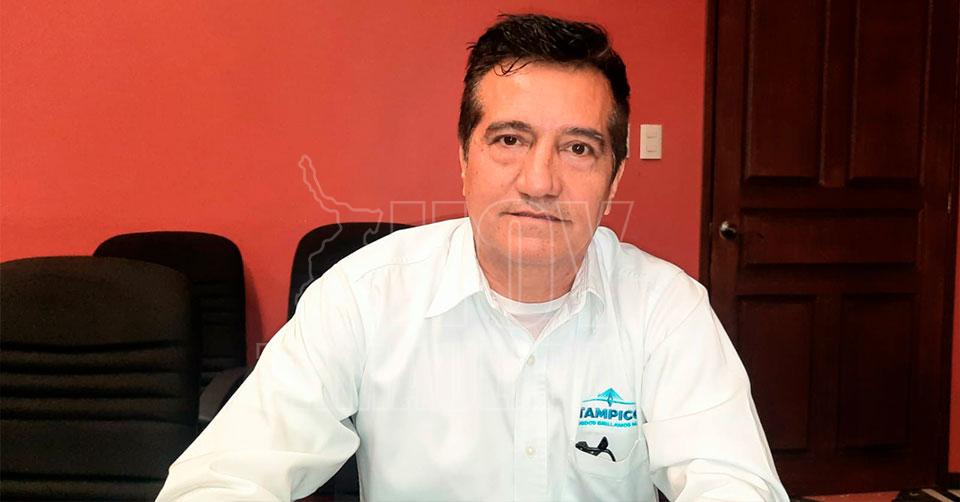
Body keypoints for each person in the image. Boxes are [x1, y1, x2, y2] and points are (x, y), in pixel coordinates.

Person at [157, 13, 789, 501]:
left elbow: (733, 483)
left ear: (614, 177)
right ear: (464, 158)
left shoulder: (667, 309)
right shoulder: (362, 296)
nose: (539, 181)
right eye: (510, 139)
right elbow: (224, 479)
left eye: (578, 148)